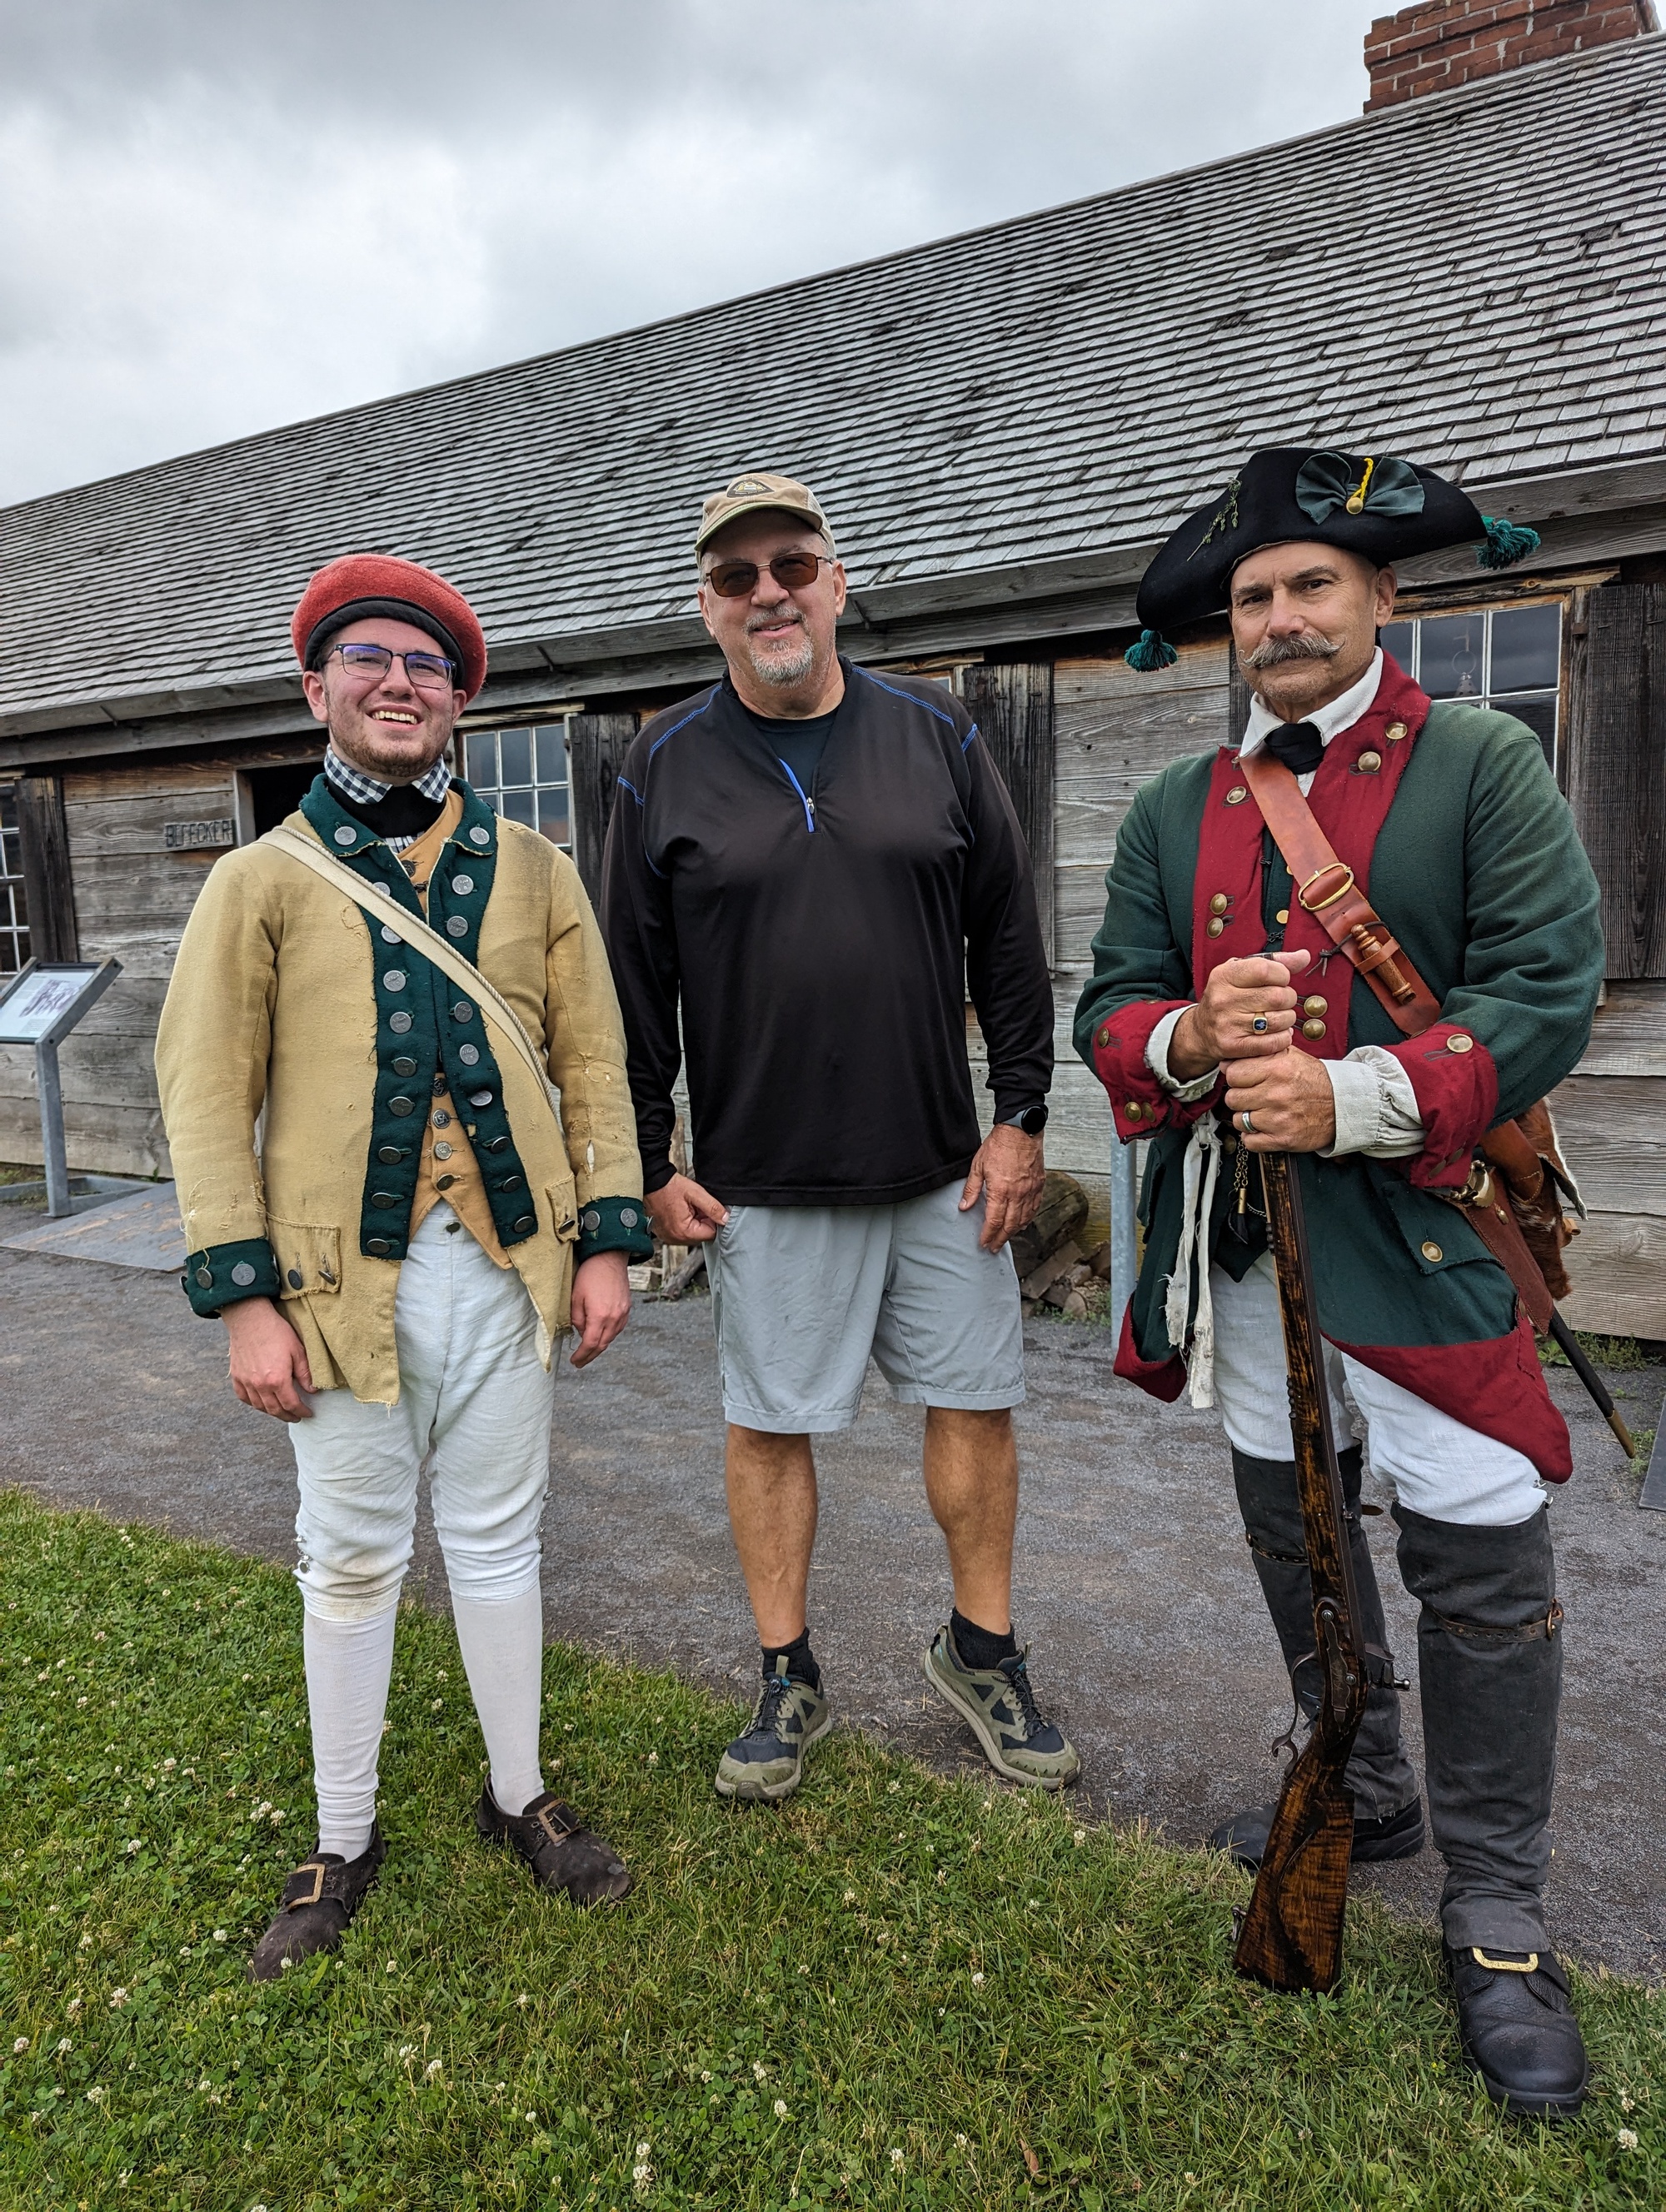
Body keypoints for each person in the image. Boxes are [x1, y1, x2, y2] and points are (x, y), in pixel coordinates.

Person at [1075, 446, 1603, 2118]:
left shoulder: (1479, 762)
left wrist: (1362, 1096)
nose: (1281, 617)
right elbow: (1108, 1004)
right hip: (1250, 1253)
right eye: (1253, 597)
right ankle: (1361, 1781)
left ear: (1381, 596)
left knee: (1480, 1572)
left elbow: (1546, 987)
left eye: (1312, 585)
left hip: (1427, 1242)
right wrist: (1179, 1034)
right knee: (1297, 1533)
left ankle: (1497, 1912)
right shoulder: (1176, 808)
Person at [156, 553, 654, 1979]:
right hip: (333, 1291)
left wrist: (607, 1243)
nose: (396, 683)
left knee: (503, 1540)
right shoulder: (262, 877)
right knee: (352, 1559)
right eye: (367, 660)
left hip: (507, 1270)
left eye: (424, 666)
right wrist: (243, 1298)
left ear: (457, 699)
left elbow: (595, 1066)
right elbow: (203, 1091)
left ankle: (519, 1798)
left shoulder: (539, 870)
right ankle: (343, 1833)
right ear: (317, 687)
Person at [601, 470, 1078, 1802]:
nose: (771, 593)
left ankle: (980, 1652)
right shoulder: (662, 768)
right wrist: (648, 1159)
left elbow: (1011, 942)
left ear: (838, 581)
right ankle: (786, 1675)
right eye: (739, 577)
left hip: (940, 1167)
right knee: (771, 1425)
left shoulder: (938, 740)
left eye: (793, 566)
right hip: (763, 1178)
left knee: (976, 1408)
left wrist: (1022, 1117)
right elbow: (633, 988)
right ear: (707, 607)